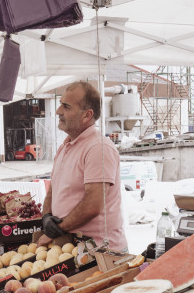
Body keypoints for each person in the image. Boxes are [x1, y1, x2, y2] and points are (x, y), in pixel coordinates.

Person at [38, 81, 128, 251]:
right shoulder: (65, 147)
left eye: (66, 106)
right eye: (60, 105)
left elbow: (92, 205)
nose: (58, 111)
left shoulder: (98, 148)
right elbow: (53, 190)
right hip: (73, 248)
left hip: (103, 252)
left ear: (87, 115)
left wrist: (56, 229)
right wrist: (46, 217)